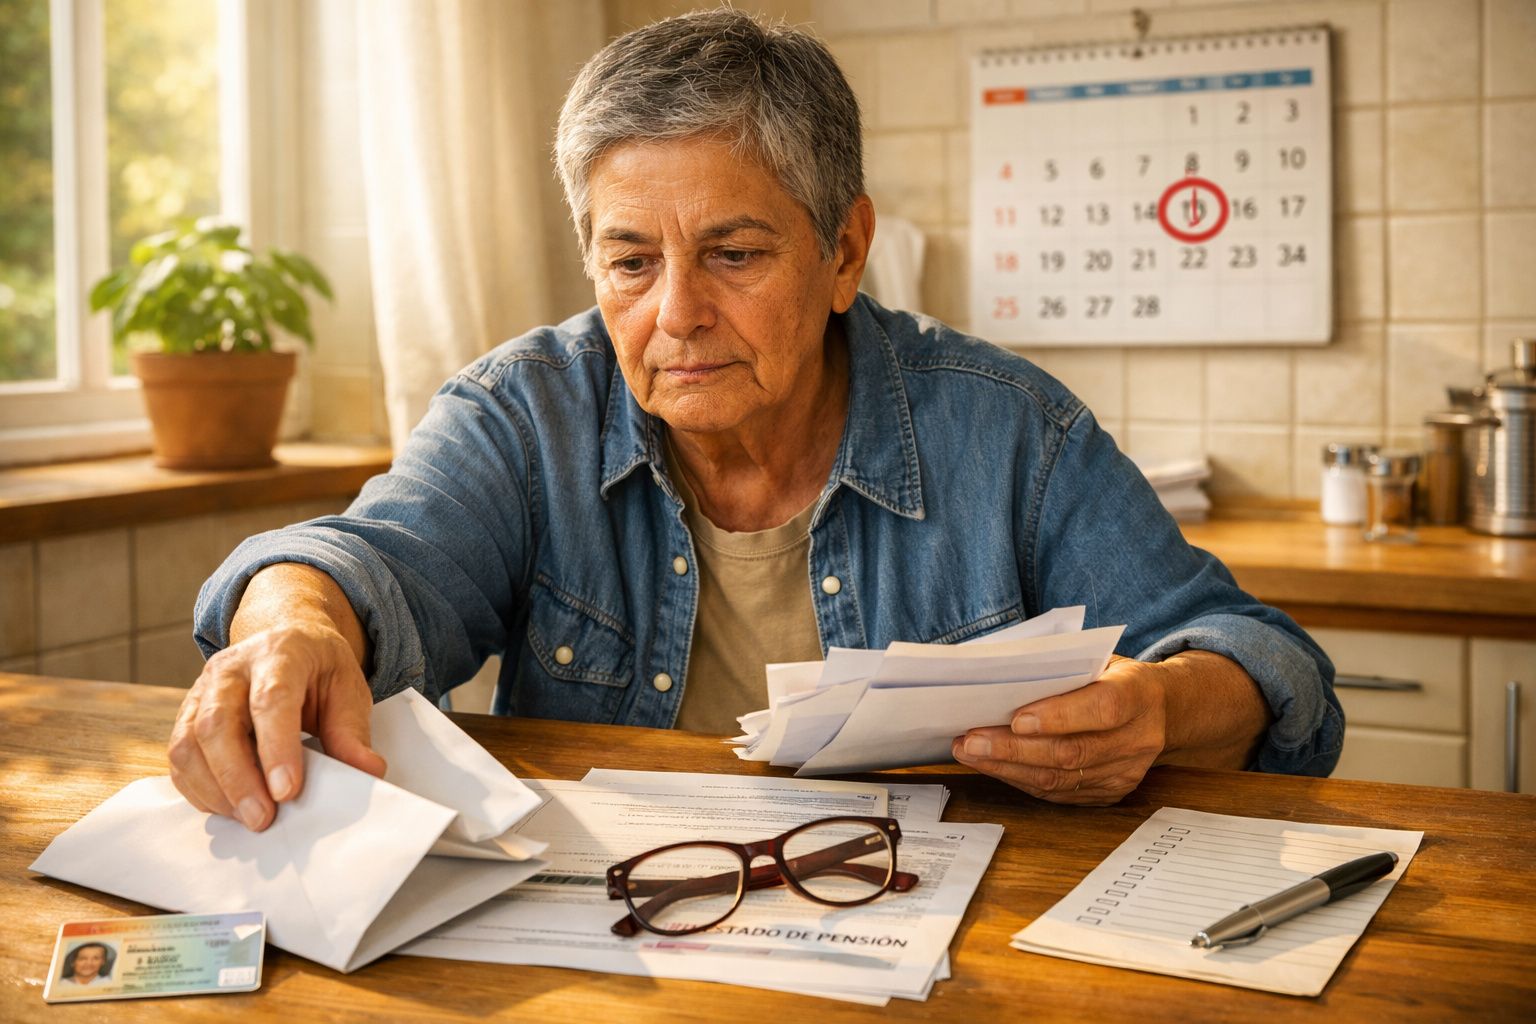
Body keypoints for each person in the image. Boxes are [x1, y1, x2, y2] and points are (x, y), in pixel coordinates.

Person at [170, 9, 1342, 833]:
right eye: (629, 261)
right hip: (617, 937)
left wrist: (1157, 711)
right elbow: (362, 561)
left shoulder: (1007, 432)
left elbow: (1267, 664)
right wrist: (295, 625)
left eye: (733, 253)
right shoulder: (527, 412)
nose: (675, 314)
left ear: (843, 252)